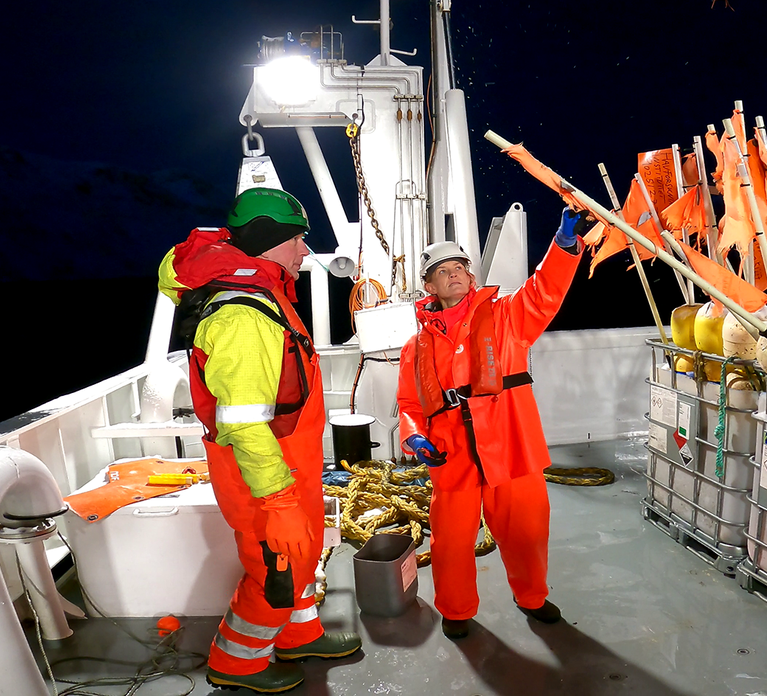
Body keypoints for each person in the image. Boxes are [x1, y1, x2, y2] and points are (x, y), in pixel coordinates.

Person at [157, 187, 361, 693]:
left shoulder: (267, 293)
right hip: (265, 481)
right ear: (271, 243)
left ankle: (299, 635)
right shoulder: (244, 315)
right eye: (296, 240)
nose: (303, 252)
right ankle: (238, 663)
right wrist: (280, 500)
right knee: (278, 571)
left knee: (301, 557)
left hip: (291, 468)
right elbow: (246, 425)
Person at [397, 207, 593, 639]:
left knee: (526, 531)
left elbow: (545, 292)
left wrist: (562, 247)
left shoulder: (507, 316)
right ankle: (456, 609)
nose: (454, 276)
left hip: (512, 446)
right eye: (442, 271)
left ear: (471, 275)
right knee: (450, 543)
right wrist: (415, 437)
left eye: (460, 268)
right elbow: (409, 403)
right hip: (453, 456)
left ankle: (533, 598)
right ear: (428, 285)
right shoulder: (416, 345)